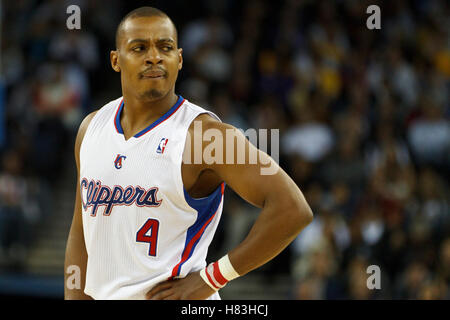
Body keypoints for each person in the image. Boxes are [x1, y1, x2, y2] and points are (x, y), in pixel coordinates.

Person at [64, 6, 313, 300]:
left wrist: (212, 278)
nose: (154, 56)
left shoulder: (206, 137)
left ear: (179, 59)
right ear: (116, 60)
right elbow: (81, 235)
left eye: (165, 47)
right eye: (139, 47)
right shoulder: (91, 128)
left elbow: (293, 209)